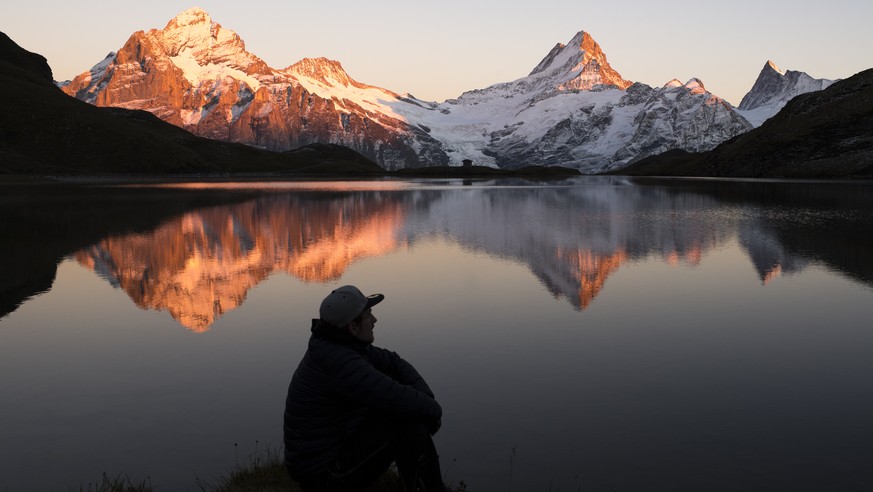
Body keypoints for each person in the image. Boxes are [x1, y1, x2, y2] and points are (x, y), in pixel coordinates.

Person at [284, 285, 446, 492]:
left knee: (406, 407)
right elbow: (395, 395)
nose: (374, 320)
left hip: (331, 454)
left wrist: (426, 399)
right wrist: (432, 411)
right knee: (409, 426)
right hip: (323, 477)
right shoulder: (341, 363)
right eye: (369, 315)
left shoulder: (336, 345)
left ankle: (417, 483)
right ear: (353, 327)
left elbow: (394, 362)